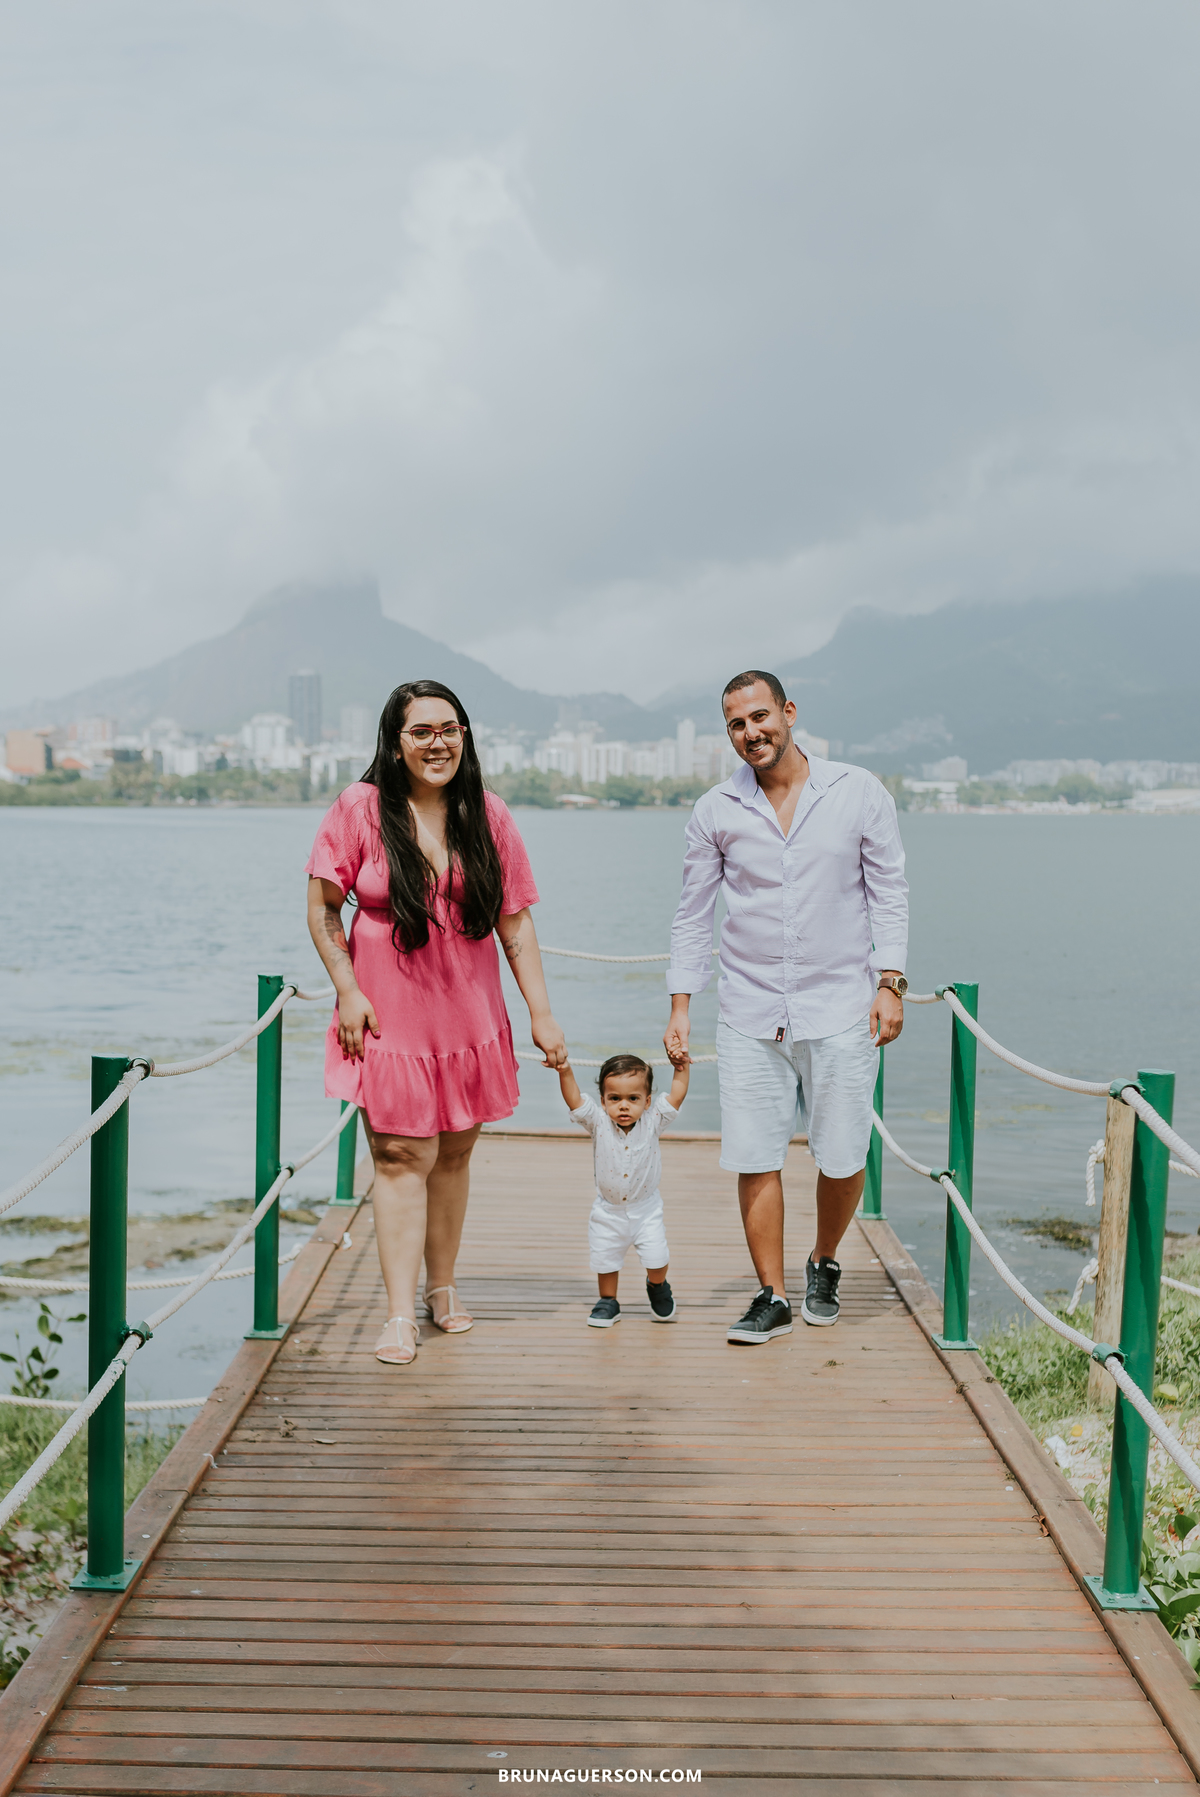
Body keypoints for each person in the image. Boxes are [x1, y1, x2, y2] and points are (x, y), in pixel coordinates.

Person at [305, 678, 567, 1367]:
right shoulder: (360, 809)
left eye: (449, 728)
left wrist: (541, 1012)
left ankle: (441, 1285)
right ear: (395, 744)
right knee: (399, 1156)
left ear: (465, 736)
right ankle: (399, 1310)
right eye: (421, 731)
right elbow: (324, 905)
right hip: (386, 1015)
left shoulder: (489, 814)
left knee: (453, 1154)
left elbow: (516, 922)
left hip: (468, 1016)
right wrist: (346, 989)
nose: (437, 742)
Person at [664, 671, 908, 1342]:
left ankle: (823, 1258)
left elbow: (890, 891)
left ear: (790, 712)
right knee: (753, 1152)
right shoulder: (715, 809)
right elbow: (692, 915)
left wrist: (892, 981)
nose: (751, 732)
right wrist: (681, 1005)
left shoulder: (857, 792)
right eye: (736, 724)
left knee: (842, 1152)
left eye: (761, 716)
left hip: (842, 1005)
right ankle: (770, 1294)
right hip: (749, 1009)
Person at [557, 1051, 689, 1328]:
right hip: (609, 1210)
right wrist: (564, 1070)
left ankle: (658, 1286)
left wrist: (682, 1067)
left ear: (647, 1101)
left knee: (657, 1257)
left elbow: (676, 1095)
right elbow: (575, 1101)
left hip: (646, 1208)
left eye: (633, 1099)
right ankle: (608, 1301)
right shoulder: (598, 1122)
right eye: (614, 1099)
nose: (624, 1107)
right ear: (603, 1101)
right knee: (605, 1259)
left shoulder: (653, 1121)